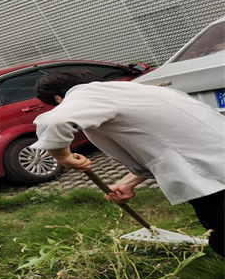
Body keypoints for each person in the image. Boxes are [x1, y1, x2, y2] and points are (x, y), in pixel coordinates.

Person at [30, 71, 224, 256]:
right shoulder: (136, 90)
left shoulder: (86, 95)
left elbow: (56, 121)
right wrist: (128, 182)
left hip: (211, 175)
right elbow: (170, 140)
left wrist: (63, 157)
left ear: (58, 98)